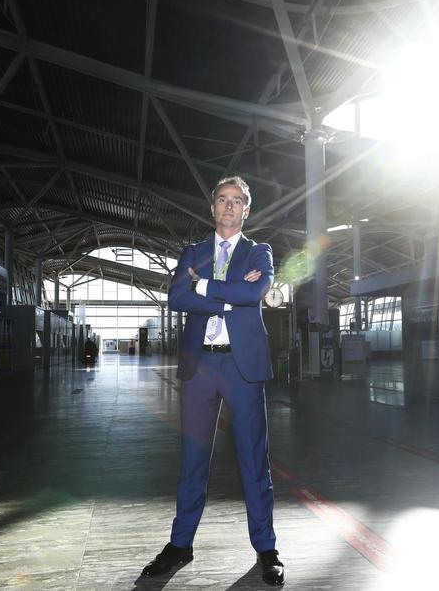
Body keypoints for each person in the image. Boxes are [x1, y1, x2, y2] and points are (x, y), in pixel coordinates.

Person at [140, 176, 284, 586]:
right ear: (212, 207)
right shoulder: (193, 251)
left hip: (242, 368)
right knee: (192, 460)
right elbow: (176, 297)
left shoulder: (260, 251)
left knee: (253, 461)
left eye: (237, 201)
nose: (228, 207)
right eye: (222, 200)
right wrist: (226, 296)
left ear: (246, 210)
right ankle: (180, 545)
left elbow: (255, 295)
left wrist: (201, 285)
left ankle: (266, 548)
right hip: (199, 366)